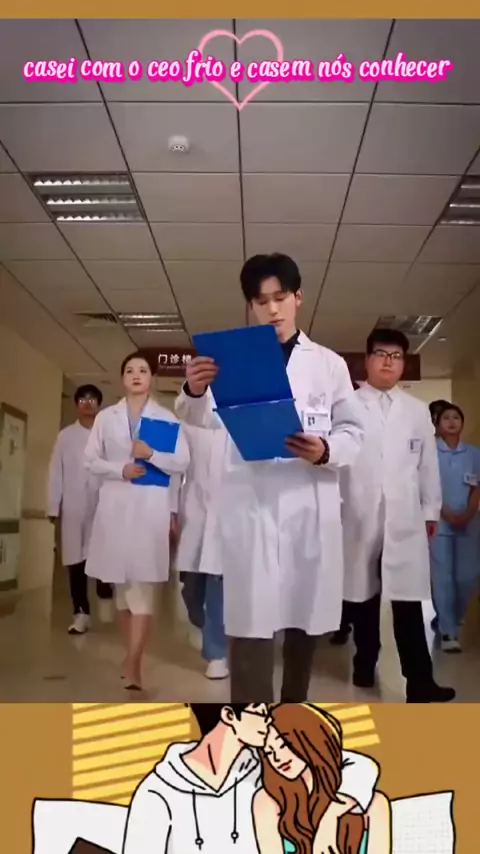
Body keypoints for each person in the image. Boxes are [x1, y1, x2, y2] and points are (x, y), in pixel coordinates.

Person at [175, 253, 364, 702]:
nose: (273, 309)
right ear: (251, 306)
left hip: (308, 503)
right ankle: (250, 724)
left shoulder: (329, 364)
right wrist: (195, 389)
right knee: (250, 624)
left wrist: (326, 451)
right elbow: (199, 418)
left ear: (299, 297)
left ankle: (293, 714)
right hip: (252, 504)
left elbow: (354, 431)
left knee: (304, 620)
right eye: (261, 302)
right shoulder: (232, 360)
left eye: (281, 297)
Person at [340, 328, 455, 703]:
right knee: (363, 597)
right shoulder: (346, 405)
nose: (388, 362)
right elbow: (337, 463)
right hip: (358, 512)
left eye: (396, 356)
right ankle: (364, 660)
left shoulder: (417, 410)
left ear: (404, 364)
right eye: (381, 354)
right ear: (367, 360)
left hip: (404, 516)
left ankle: (420, 680)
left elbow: (427, 465)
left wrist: (430, 510)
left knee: (407, 600)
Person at [123, 703, 380, 854]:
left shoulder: (265, 767)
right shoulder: (157, 793)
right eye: (259, 711)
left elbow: (353, 764)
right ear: (229, 716)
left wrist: (331, 813)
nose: (268, 721)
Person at [84, 350, 190, 691]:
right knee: (121, 592)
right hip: (115, 507)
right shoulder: (106, 418)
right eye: (129, 370)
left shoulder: (167, 419)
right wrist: (121, 469)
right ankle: (131, 657)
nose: (136, 375)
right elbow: (90, 460)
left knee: (143, 589)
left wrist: (151, 454)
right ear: (122, 379)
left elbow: (182, 463)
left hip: (150, 508)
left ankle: (134, 662)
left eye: (142, 370)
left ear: (152, 379)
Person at [254, 703, 391, 854]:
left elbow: (361, 764)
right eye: (268, 752)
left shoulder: (375, 804)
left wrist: (329, 817)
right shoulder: (268, 800)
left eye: (284, 745)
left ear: (307, 739)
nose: (277, 758)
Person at [47, 384, 113, 635]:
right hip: (73, 506)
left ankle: (105, 589)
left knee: (102, 554)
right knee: (75, 561)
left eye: (92, 399)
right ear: (76, 405)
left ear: (99, 405)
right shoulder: (66, 436)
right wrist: (53, 505)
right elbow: (56, 470)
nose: (87, 403)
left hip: (102, 504)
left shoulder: (106, 436)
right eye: (82, 399)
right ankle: (81, 612)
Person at [174, 423, 229, 680]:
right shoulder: (189, 423)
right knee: (191, 592)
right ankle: (207, 627)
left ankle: (217, 654)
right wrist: (171, 511)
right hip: (195, 512)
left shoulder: (241, 422)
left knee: (218, 586)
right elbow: (176, 469)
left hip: (231, 514)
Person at [429, 402, 480, 652]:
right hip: (439, 522)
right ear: (437, 425)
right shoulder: (430, 453)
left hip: (469, 522)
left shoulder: (474, 454)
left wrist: (468, 513)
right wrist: (445, 513)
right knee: (443, 578)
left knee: (468, 577)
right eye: (446, 418)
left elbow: (477, 487)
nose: (451, 422)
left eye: (456, 417)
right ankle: (449, 631)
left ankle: (452, 617)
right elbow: (426, 486)